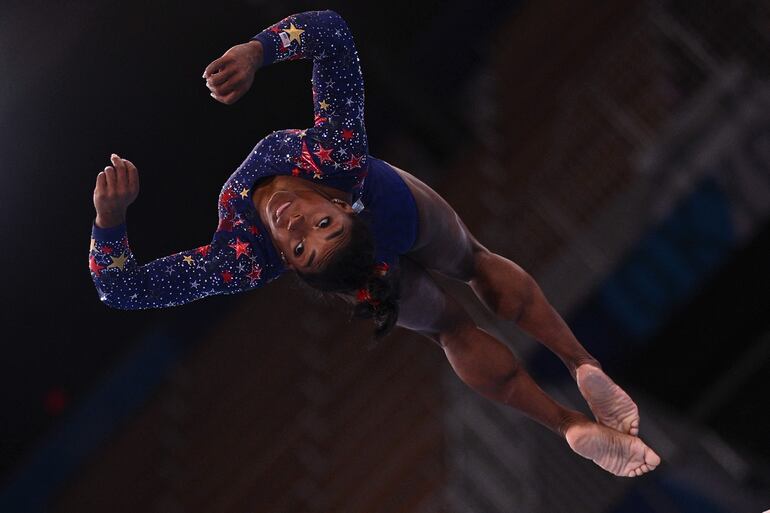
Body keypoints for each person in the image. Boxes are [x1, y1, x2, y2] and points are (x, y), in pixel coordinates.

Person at [88, 10, 660, 477]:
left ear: (340, 206)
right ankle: (579, 372)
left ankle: (567, 416)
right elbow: (331, 34)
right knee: (474, 261)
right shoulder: (334, 156)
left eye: (314, 230)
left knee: (448, 329)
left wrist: (108, 222)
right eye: (305, 246)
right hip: (395, 207)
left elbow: (118, 287)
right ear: (286, 262)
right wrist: (260, 51)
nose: (296, 225)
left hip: (378, 239)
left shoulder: (244, 253)